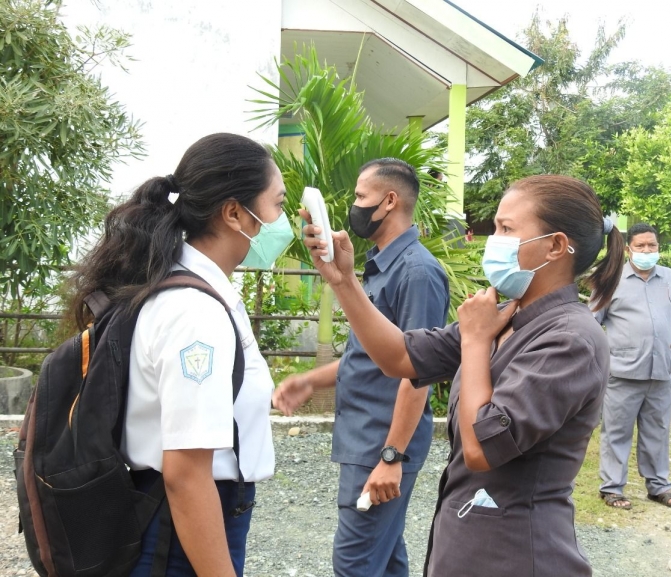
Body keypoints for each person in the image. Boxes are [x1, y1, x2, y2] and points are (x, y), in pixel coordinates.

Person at [296, 174, 626, 576]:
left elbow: (481, 448)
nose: (494, 240)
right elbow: (398, 357)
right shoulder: (505, 316)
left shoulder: (571, 339)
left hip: (517, 554)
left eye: (506, 229)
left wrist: (473, 343)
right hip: (468, 543)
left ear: (555, 246)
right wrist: (344, 280)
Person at [69, 133, 290, 576]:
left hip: (173, 518)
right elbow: (186, 476)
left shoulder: (192, 288)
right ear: (233, 213)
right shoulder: (195, 313)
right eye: (278, 205)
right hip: (178, 529)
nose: (283, 221)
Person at [272, 158, 449, 577]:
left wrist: (392, 456)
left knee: (354, 563)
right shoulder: (376, 267)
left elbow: (416, 371)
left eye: (359, 196)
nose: (353, 206)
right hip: (368, 437)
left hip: (382, 442)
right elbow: (370, 357)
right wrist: (310, 380)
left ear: (389, 201)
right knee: (385, 559)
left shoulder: (417, 272)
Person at [593, 223, 671, 510]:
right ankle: (612, 488)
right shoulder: (610, 279)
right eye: (641, 246)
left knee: (658, 430)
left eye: (652, 246)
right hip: (622, 371)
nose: (647, 251)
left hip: (662, 371)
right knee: (617, 432)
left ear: (659, 247)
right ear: (628, 249)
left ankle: (658, 486)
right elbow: (592, 324)